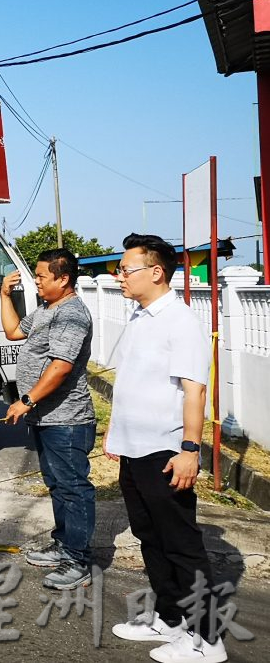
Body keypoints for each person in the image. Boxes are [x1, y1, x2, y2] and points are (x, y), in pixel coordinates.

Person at [105, 234, 226, 663]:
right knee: (149, 538)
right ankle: (170, 619)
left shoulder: (181, 320)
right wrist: (115, 436)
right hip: (134, 449)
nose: (119, 276)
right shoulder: (140, 317)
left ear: (155, 272)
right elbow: (132, 383)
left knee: (181, 544)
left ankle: (209, 640)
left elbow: (195, 392)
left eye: (125, 269)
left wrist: (190, 450)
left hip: (165, 452)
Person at [0, 248, 96, 591]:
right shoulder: (46, 310)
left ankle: (79, 560)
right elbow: (13, 332)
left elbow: (61, 366)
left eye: (42, 276)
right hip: (46, 418)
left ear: (63, 278)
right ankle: (63, 545)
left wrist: (26, 400)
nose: (37, 281)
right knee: (57, 485)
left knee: (73, 488)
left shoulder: (72, 314)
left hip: (67, 418)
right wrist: (4, 294)